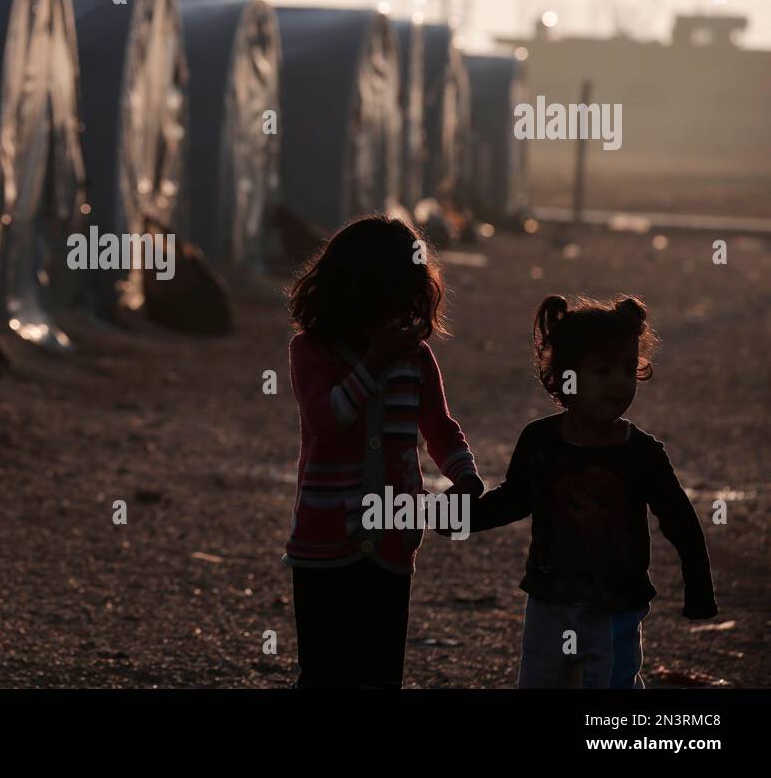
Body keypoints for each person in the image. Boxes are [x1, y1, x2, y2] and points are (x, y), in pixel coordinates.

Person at [470, 294, 717, 688]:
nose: (619, 382)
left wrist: (699, 589)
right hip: (549, 603)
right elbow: (514, 499)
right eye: (603, 371)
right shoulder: (540, 442)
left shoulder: (642, 453)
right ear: (565, 377)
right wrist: (457, 519)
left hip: (616, 607)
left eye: (626, 368)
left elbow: (680, 520)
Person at [284, 214, 483, 688]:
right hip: (324, 540)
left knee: (378, 672)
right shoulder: (311, 353)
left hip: (393, 537)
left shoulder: (415, 358)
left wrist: (465, 475)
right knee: (325, 672)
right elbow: (326, 421)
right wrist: (373, 363)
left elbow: (439, 426)